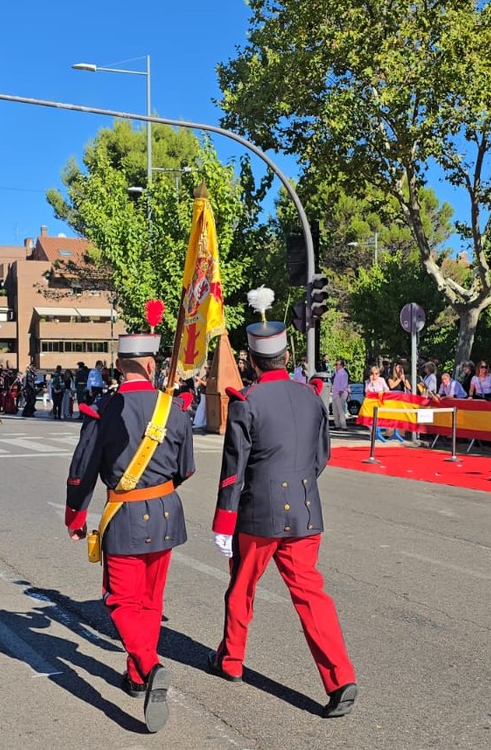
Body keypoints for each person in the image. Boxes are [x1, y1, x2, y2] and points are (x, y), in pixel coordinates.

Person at [207, 304, 358, 719]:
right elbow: (321, 455)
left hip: (260, 515)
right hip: (306, 512)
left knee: (241, 588)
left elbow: (232, 471)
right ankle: (340, 678)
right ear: (287, 356)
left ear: (252, 360)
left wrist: (224, 521)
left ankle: (232, 660)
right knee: (312, 596)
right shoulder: (310, 398)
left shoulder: (246, 401)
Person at [65, 328, 194, 733]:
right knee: (150, 600)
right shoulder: (172, 409)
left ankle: (149, 665)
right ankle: (137, 674)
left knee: (120, 600)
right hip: (167, 514)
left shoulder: (105, 409)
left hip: (124, 515)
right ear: (152, 366)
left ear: (118, 367)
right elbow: (185, 467)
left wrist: (75, 516)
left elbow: (82, 470)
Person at [331, 358, 350, 431]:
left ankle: (343, 425)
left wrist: (340, 392)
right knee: (335, 410)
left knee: (341, 410)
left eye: (337, 364)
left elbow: (344, 384)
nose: (336, 366)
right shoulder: (336, 373)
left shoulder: (344, 373)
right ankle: (337, 424)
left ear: (341, 365)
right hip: (335, 393)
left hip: (340, 394)